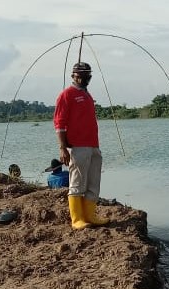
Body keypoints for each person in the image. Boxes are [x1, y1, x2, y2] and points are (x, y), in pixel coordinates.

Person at [53, 61, 109, 229]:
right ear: (73, 76)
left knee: (93, 182)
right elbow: (59, 124)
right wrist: (63, 148)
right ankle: (76, 219)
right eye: (81, 76)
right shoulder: (66, 94)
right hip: (78, 146)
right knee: (77, 182)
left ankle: (90, 215)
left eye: (87, 77)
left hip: (93, 145)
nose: (84, 79)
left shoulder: (87, 95)